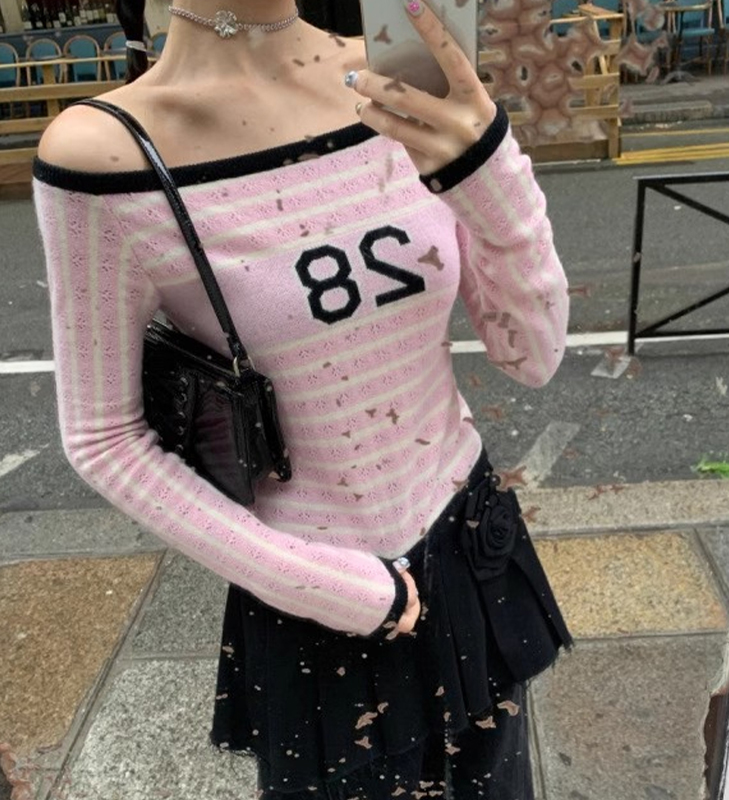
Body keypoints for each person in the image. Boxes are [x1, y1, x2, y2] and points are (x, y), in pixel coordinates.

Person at [32, 0, 573, 797]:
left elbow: (533, 354)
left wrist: (490, 168)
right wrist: (326, 588)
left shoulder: (400, 75)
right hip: (318, 598)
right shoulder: (105, 152)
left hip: (469, 542)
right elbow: (104, 437)